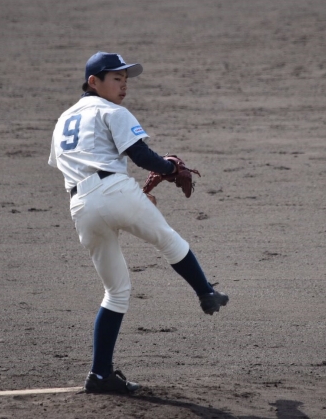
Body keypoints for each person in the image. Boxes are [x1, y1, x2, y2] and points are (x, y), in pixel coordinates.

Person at [48, 51, 229, 394]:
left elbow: (69, 165)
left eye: (125, 79)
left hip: (81, 205)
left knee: (116, 293)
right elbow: (141, 155)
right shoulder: (112, 111)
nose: (124, 85)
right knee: (169, 241)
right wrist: (171, 168)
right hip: (114, 190)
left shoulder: (63, 121)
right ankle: (206, 293)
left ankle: (100, 375)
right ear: (93, 82)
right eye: (116, 78)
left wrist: (124, 197)